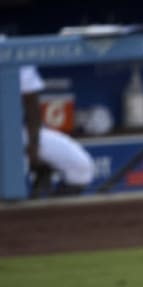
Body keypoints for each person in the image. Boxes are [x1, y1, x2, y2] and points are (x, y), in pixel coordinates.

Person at [20, 64, 95, 197]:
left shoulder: (8, 48)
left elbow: (31, 103)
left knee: (80, 166)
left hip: (17, 132)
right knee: (17, 170)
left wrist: (34, 146)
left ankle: (45, 215)